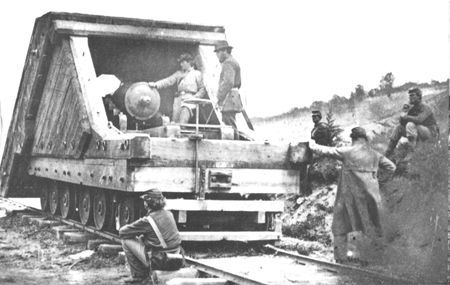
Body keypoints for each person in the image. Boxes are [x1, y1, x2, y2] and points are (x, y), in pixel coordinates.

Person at [309, 127, 396, 264]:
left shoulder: (347, 151)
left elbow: (326, 150)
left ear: (353, 138)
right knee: (370, 224)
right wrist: (378, 180)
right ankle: (371, 259)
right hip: (371, 196)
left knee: (340, 224)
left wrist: (312, 145)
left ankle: (340, 258)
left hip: (349, 195)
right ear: (365, 139)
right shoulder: (375, 154)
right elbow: (392, 167)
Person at [119, 189, 183, 284]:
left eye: (145, 201)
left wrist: (138, 232)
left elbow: (122, 232)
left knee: (126, 240)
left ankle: (139, 276)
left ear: (147, 204)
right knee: (143, 239)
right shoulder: (169, 214)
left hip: (161, 261)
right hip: (177, 258)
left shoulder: (148, 220)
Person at [149, 53, 206, 124]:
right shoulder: (179, 73)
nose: (181, 64)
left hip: (190, 99)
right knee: (175, 122)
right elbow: (168, 81)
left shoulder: (197, 74)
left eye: (183, 62)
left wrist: (195, 98)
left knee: (183, 117)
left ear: (189, 62)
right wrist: (156, 84)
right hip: (178, 100)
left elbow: (202, 89)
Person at [384, 87, 439, 158]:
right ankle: (388, 152)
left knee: (410, 125)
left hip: (431, 133)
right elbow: (402, 123)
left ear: (419, 96)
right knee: (398, 128)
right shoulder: (412, 108)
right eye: (409, 95)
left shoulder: (425, 107)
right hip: (419, 132)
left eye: (412, 95)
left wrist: (406, 117)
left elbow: (419, 119)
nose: (410, 97)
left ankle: (411, 152)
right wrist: (404, 111)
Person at [214, 41, 242, 129]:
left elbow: (228, 82)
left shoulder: (228, 63)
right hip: (232, 98)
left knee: (230, 128)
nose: (217, 55)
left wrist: (219, 97)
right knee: (231, 125)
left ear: (225, 51)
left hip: (228, 99)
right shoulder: (233, 61)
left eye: (218, 52)